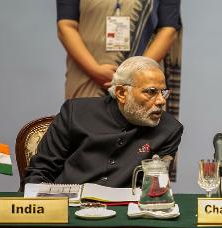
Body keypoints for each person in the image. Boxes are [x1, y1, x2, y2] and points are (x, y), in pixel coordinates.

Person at [23, 56, 183, 188]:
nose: (162, 101)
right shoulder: (75, 113)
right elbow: (41, 171)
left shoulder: (169, 130)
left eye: (163, 92)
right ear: (121, 93)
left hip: (123, 215)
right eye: (151, 92)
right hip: (68, 208)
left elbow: (153, 189)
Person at [57, 0, 181, 99]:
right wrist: (94, 70)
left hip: (143, 80)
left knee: (142, 126)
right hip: (87, 77)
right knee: (86, 124)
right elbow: (66, 26)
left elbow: (168, 31)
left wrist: (135, 73)